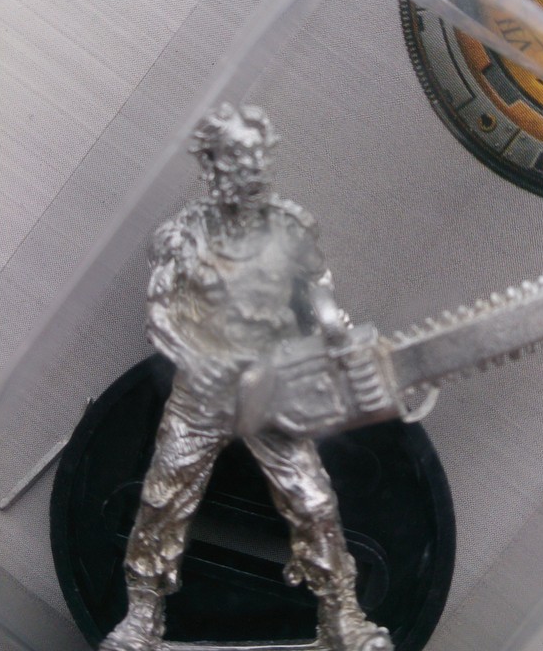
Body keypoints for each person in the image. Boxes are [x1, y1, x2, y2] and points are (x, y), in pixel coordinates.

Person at [101, 104, 392, 651]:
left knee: (313, 501)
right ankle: (142, 613)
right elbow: (161, 319)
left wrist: (335, 330)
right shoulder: (182, 236)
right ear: (211, 163)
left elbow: (320, 296)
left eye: (258, 154)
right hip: (202, 395)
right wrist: (198, 360)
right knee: (162, 498)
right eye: (238, 155)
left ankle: (341, 614)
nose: (251, 167)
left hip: (272, 391)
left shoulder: (291, 227)